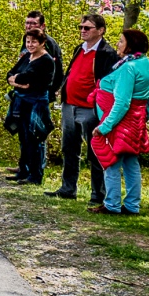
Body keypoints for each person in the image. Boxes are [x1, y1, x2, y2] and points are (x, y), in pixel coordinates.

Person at [44, 14, 119, 203]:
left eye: (87, 28)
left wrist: (99, 106)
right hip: (70, 105)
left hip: (90, 109)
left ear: (101, 30)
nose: (82, 31)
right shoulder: (80, 49)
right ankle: (68, 188)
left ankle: (98, 193)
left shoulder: (107, 53)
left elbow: (108, 82)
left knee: (94, 151)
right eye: (81, 27)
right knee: (69, 148)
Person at [89, 29, 149, 215]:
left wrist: (104, 126)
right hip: (136, 119)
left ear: (130, 45)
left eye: (121, 41)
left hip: (121, 122)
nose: (118, 44)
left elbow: (122, 102)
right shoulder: (146, 63)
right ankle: (132, 205)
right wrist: (145, 116)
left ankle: (112, 204)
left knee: (112, 162)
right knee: (131, 162)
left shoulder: (129, 68)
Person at [5, 29, 56, 185]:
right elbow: (11, 73)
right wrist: (18, 81)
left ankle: (35, 175)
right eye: (28, 41)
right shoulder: (27, 56)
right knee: (23, 137)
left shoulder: (46, 61)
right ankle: (23, 171)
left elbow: (29, 79)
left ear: (42, 43)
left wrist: (18, 81)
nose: (30, 44)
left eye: (34, 42)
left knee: (35, 138)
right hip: (22, 102)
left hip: (36, 103)